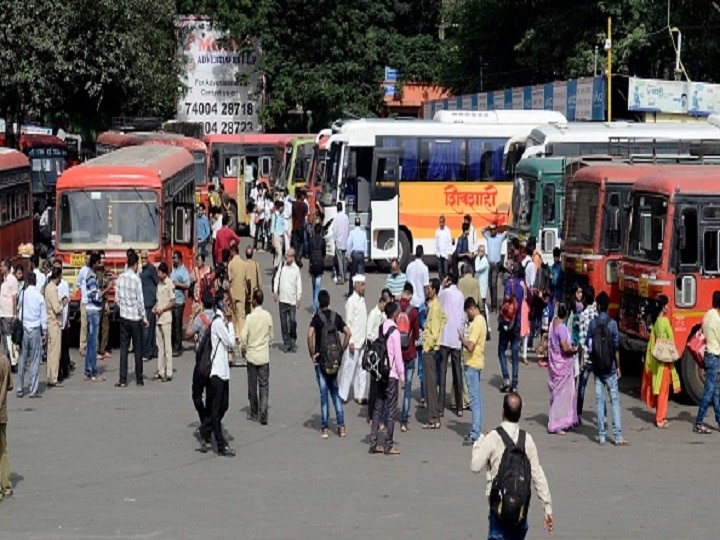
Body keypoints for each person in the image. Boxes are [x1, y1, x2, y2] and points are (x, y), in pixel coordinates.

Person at [471, 393, 554, 540]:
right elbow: (537, 475)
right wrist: (547, 507)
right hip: (520, 512)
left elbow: (475, 466)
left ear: (502, 412)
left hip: (498, 509)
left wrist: (480, 440)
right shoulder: (527, 439)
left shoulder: (493, 437)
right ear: (520, 414)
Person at [586, 292, 629, 446]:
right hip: (610, 368)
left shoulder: (592, 324)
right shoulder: (613, 324)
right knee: (615, 401)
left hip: (597, 369)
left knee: (599, 400)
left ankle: (602, 436)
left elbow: (589, 344)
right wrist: (618, 366)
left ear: (598, 306)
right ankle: (617, 436)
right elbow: (616, 347)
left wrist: (593, 357)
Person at [308, 289, 352, 439]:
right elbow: (348, 332)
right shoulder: (336, 317)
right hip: (334, 360)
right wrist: (342, 350)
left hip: (321, 361)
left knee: (324, 394)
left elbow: (309, 335)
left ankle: (325, 428)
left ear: (319, 303)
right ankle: (341, 427)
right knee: (335, 392)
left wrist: (312, 354)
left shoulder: (317, 318)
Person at [199, 293, 236, 457]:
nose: (229, 307)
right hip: (216, 371)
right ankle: (220, 444)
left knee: (224, 405)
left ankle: (206, 428)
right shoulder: (219, 323)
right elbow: (231, 342)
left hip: (223, 371)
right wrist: (232, 324)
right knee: (216, 408)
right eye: (226, 303)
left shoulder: (221, 322)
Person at [369, 301, 404, 456]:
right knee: (390, 410)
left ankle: (374, 442)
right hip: (391, 374)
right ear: (395, 314)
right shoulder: (395, 332)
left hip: (379, 373)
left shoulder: (380, 329)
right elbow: (398, 357)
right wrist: (402, 376)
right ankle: (388, 445)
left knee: (378, 407)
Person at [641, 295, 681, 429]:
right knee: (664, 391)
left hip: (657, 360)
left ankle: (658, 415)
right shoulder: (665, 322)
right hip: (664, 361)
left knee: (659, 389)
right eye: (667, 305)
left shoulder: (657, 322)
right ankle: (660, 418)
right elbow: (671, 339)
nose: (668, 307)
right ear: (663, 307)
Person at [240, 289, 273, 425]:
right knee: (264, 386)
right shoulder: (267, 316)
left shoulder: (250, 318)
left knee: (252, 386)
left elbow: (243, 337)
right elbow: (271, 336)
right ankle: (263, 410)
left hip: (252, 356)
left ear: (254, 301)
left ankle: (254, 413)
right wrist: (267, 344)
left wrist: (243, 348)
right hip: (264, 356)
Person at [115, 251, 147, 387]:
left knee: (124, 348)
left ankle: (123, 379)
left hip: (124, 317)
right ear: (135, 264)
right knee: (138, 348)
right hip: (135, 317)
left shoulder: (121, 278)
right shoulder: (136, 279)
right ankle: (139, 379)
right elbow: (140, 301)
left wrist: (123, 307)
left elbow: (117, 299)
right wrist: (144, 317)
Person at [547, 303, 579, 435]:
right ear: (565, 314)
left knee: (560, 393)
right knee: (562, 395)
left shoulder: (553, 323)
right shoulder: (561, 328)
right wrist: (574, 351)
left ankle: (567, 420)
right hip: (562, 365)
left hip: (555, 365)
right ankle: (557, 423)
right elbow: (565, 348)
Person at [186, 292, 215, 431]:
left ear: (202, 304)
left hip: (201, 360)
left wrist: (192, 317)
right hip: (214, 361)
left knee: (196, 393)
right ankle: (209, 420)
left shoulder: (200, 318)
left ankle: (204, 418)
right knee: (211, 394)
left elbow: (188, 334)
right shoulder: (217, 318)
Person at [459, 297, 487, 445]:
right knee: (477, 398)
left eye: (467, 313)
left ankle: (475, 432)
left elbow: (470, 346)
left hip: (472, 363)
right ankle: (477, 428)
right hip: (475, 362)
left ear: (471, 309)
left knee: (474, 399)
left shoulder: (477, 323)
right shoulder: (480, 321)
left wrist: (462, 339)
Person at [16, 273, 46, 398]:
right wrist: (44, 332)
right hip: (35, 329)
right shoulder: (39, 296)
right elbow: (43, 316)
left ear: (28, 281)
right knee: (34, 360)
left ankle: (20, 388)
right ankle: (33, 390)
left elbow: (19, 310)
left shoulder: (23, 294)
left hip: (24, 328)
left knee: (22, 358)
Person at [694, 291, 720, 435]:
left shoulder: (707, 315)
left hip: (708, 354)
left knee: (715, 392)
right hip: (714, 356)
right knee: (709, 391)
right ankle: (699, 422)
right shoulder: (717, 319)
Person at [422, 278, 447, 430]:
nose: (427, 290)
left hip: (429, 350)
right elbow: (445, 319)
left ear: (435, 290)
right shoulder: (435, 306)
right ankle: (433, 416)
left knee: (430, 385)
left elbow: (436, 329)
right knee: (430, 383)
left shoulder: (435, 308)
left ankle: (433, 418)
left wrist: (429, 345)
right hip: (430, 348)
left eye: (430, 288)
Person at [339, 275, 368, 403]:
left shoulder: (362, 300)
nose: (363, 287)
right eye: (362, 285)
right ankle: (342, 394)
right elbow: (348, 322)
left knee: (362, 369)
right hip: (354, 341)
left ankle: (359, 394)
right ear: (356, 285)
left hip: (362, 341)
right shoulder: (351, 301)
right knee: (348, 369)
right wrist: (349, 341)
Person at [498, 263, 524, 394]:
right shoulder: (522, 284)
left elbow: (507, 297)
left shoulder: (510, 283)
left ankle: (506, 377)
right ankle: (515, 383)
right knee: (515, 354)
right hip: (518, 323)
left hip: (508, 321)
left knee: (501, 350)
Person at [398, 283, 420, 432]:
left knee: (392, 387)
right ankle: (404, 421)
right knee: (408, 389)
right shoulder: (413, 312)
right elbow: (417, 334)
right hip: (410, 352)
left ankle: (388, 416)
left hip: (396, 354)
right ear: (411, 295)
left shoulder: (395, 309)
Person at [366, 289, 390, 422]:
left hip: (383, 354)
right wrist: (378, 340)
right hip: (375, 353)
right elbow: (368, 334)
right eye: (385, 304)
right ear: (381, 302)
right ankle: (371, 415)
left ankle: (379, 414)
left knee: (381, 385)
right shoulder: (373, 314)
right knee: (374, 386)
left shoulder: (384, 315)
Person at [273, 248, 302, 352]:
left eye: (288, 255)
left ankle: (293, 340)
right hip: (282, 299)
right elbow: (276, 278)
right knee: (284, 323)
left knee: (293, 322)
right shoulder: (282, 266)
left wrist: (299, 298)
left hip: (292, 300)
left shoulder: (296, 269)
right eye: (286, 255)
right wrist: (275, 291)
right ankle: (286, 343)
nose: (286, 257)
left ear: (293, 257)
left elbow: (299, 284)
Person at [83, 254, 106, 383]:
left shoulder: (91, 275)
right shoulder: (91, 276)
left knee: (90, 342)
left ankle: (87, 371)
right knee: (93, 344)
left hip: (91, 311)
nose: (100, 265)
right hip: (93, 311)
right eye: (98, 263)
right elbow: (94, 296)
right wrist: (106, 289)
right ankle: (93, 372)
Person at [152, 262, 175, 382]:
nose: (158, 274)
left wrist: (163, 309)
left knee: (167, 347)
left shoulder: (169, 284)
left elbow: (172, 302)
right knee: (159, 346)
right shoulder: (159, 284)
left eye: (160, 272)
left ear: (165, 273)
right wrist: (155, 307)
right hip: (158, 318)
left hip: (166, 318)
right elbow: (158, 300)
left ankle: (169, 371)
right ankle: (160, 370)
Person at [576, 286, 597, 417]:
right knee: (599, 386)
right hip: (598, 356)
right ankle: (603, 415)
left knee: (582, 386)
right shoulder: (597, 312)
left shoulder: (583, 315)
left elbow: (583, 340)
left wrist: (581, 360)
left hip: (588, 357)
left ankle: (578, 413)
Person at [44, 268, 63, 388]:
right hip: (54, 323)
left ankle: (50, 376)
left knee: (50, 352)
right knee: (55, 353)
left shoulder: (47, 288)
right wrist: (63, 303)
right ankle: (54, 378)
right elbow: (57, 308)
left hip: (49, 322)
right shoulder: (52, 289)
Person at [482, 223, 508, 313]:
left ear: (496, 230)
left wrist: (503, 226)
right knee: (489, 285)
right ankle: (493, 305)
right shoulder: (488, 237)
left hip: (496, 264)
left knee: (494, 285)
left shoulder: (500, 237)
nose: (492, 231)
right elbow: (482, 231)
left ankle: (494, 306)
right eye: (491, 230)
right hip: (489, 264)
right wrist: (488, 226)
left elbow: (507, 231)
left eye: (493, 230)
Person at [140, 250, 159, 363]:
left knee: (147, 329)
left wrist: (156, 300)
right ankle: (151, 351)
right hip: (144, 301)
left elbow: (157, 282)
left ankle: (147, 352)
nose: (143, 260)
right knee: (149, 328)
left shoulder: (151, 269)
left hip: (149, 302)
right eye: (141, 258)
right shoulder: (142, 270)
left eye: (145, 258)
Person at [170, 251, 190, 357]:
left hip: (179, 301)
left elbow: (187, 284)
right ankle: (173, 345)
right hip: (172, 301)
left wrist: (178, 284)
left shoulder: (184, 271)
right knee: (172, 325)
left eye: (175, 258)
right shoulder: (173, 270)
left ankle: (178, 348)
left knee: (177, 326)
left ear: (180, 259)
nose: (173, 260)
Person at [227, 242, 249, 342]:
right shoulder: (244, 264)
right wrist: (248, 292)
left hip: (232, 292)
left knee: (234, 315)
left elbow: (229, 279)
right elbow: (248, 280)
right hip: (241, 293)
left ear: (233, 251)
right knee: (241, 315)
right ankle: (242, 335)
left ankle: (236, 334)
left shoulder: (231, 264)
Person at [0, 259, 18, 365]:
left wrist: (14, 314)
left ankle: (11, 362)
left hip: (8, 314)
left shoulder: (12, 280)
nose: (0, 268)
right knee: (4, 339)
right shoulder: (4, 280)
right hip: (2, 313)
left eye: (2, 266)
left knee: (8, 339)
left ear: (7, 267)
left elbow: (14, 298)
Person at [0, 351, 12, 502]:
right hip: (2, 414)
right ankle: (6, 486)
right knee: (3, 450)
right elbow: (10, 385)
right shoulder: (4, 361)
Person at [406, 245, 429, 318]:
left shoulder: (409, 266)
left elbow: (407, 284)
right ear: (422, 254)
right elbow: (426, 286)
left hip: (411, 301)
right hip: (421, 302)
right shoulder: (424, 268)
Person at [76, 252, 92, 358]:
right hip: (85, 301)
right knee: (84, 325)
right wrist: (83, 291)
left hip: (93, 303)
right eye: (86, 258)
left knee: (93, 326)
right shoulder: (82, 271)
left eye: (89, 258)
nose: (88, 260)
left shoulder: (93, 271)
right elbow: (78, 283)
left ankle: (92, 347)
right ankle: (82, 347)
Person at [346, 218, 367, 296]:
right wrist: (365, 255)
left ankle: (351, 292)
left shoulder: (352, 233)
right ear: (360, 224)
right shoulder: (363, 233)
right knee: (361, 274)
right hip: (361, 254)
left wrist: (348, 255)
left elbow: (348, 244)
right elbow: (365, 245)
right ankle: (361, 292)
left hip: (354, 254)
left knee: (353, 274)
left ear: (355, 224)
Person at [308, 223, 326, 313]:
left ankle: (314, 306)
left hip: (312, 265)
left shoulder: (311, 240)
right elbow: (324, 253)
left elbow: (309, 252)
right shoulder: (323, 241)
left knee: (314, 287)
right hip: (320, 265)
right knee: (318, 287)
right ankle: (315, 308)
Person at [333, 201, 349, 284]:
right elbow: (347, 228)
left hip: (339, 241)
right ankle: (345, 276)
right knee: (344, 260)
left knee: (339, 260)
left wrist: (334, 239)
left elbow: (335, 231)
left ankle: (341, 277)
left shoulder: (336, 218)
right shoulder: (346, 217)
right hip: (345, 240)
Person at [291, 189, 309, 266]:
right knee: (301, 242)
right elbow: (306, 216)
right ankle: (299, 256)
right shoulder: (304, 205)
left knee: (295, 243)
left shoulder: (293, 205)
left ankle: (296, 257)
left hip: (295, 225)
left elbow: (293, 216)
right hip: (301, 226)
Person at [244, 246, 263, 316]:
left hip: (246, 292)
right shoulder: (255, 264)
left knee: (246, 312)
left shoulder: (244, 264)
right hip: (254, 293)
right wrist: (260, 290)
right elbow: (259, 279)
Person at [434, 215, 453, 281]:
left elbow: (449, 243)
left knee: (446, 271)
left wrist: (450, 254)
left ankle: (446, 285)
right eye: (440, 222)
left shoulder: (448, 231)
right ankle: (442, 284)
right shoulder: (437, 231)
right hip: (439, 255)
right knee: (440, 271)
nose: (441, 224)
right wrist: (436, 253)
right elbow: (436, 243)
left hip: (445, 255)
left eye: (442, 222)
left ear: (444, 222)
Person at [270, 200, 286, 268]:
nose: (283, 208)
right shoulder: (275, 216)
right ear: (279, 207)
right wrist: (272, 240)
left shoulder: (282, 215)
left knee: (278, 254)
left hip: (281, 237)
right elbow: (272, 228)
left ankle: (277, 265)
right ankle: (276, 267)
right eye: (282, 207)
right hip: (276, 236)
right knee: (280, 253)